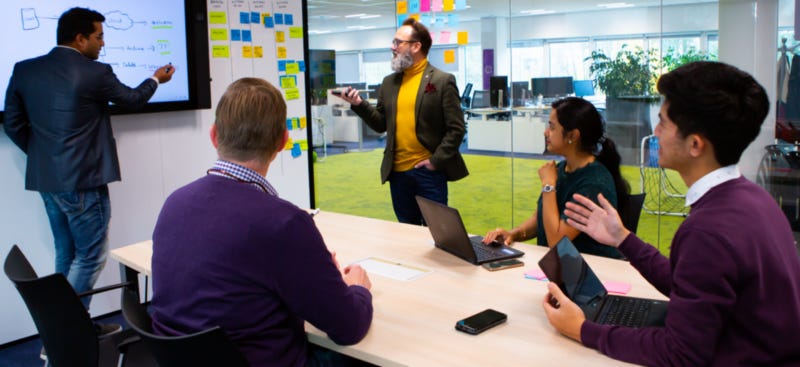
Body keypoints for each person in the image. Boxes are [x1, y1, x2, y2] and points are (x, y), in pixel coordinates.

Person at [548, 61, 800, 365]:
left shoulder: (707, 230)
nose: (655, 133)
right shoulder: (752, 199)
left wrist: (583, 329)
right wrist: (623, 238)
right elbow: (690, 285)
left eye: (663, 123)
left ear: (695, 144)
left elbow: (680, 353)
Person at [150, 78, 374, 367]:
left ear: (214, 136)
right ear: (283, 141)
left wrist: (316, 276)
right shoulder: (284, 223)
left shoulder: (175, 203)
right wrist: (357, 288)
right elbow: (348, 327)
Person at [3, 6, 173, 335]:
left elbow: (13, 124)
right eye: (99, 36)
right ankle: (66, 333)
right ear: (80, 39)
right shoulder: (96, 72)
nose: (102, 44)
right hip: (83, 182)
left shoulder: (24, 70)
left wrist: (43, 155)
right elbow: (133, 99)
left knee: (66, 255)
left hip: (47, 179)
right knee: (90, 257)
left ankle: (58, 334)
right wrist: (155, 78)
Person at [337, 18, 468, 225]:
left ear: (416, 46)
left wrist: (435, 162)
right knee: (406, 231)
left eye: (398, 42)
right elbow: (381, 124)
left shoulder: (442, 81)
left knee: (438, 230)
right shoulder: (389, 82)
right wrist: (359, 103)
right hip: (397, 173)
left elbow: (456, 129)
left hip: (428, 173)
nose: (393, 47)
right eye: (393, 42)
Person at [483, 97, 629, 259]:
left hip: (592, 272)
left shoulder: (593, 182)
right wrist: (514, 234)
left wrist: (548, 185)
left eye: (552, 127)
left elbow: (556, 240)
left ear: (572, 135)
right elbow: (541, 218)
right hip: (560, 268)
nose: (546, 132)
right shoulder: (561, 169)